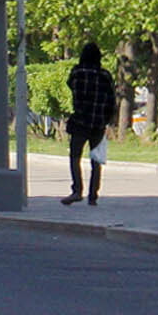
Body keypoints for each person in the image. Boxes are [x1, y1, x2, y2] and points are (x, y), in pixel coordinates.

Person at [61, 42, 118, 207]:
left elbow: (70, 85)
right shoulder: (105, 75)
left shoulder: (77, 72)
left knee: (75, 156)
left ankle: (77, 190)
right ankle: (93, 195)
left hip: (80, 121)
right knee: (96, 160)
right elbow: (111, 100)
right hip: (98, 123)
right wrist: (107, 119)